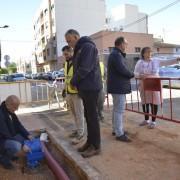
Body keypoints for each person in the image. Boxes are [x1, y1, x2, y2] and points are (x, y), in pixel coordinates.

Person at [65, 29, 102, 158]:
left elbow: (85, 68)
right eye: (67, 42)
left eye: (69, 40)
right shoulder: (80, 48)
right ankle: (90, 142)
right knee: (88, 116)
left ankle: (96, 146)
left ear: (76, 36)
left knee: (92, 117)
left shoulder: (87, 47)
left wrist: (73, 81)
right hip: (85, 87)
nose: (69, 44)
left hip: (91, 87)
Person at [134, 47, 180, 129]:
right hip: (144, 84)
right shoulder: (139, 62)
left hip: (154, 83)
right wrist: (140, 75)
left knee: (154, 102)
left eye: (150, 52)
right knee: (145, 102)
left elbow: (167, 62)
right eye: (147, 52)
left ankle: (153, 121)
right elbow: (135, 73)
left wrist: (177, 59)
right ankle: (146, 120)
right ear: (143, 54)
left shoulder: (156, 61)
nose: (149, 54)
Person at [107, 37, 134, 142]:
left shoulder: (115, 54)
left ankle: (116, 130)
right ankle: (119, 133)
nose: (127, 45)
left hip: (117, 86)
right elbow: (122, 70)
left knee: (116, 109)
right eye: (126, 43)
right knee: (119, 110)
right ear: (121, 44)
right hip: (118, 87)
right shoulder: (116, 55)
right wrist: (133, 74)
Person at [0, 95, 32, 169]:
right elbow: (6, 134)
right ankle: (4, 160)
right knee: (16, 146)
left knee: (24, 138)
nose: (17, 109)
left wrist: (28, 135)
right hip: (1, 140)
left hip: (8, 136)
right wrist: (22, 145)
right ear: (9, 105)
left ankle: (9, 154)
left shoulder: (9, 110)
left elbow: (18, 125)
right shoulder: (1, 115)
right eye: (15, 107)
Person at [62, 45, 85, 144]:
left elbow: (81, 76)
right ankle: (78, 130)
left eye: (66, 54)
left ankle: (81, 133)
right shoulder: (66, 63)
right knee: (74, 114)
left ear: (71, 52)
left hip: (77, 93)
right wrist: (64, 89)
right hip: (69, 92)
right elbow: (67, 77)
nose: (65, 56)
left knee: (79, 114)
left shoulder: (77, 62)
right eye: (64, 54)